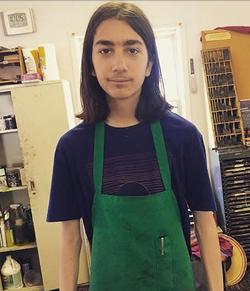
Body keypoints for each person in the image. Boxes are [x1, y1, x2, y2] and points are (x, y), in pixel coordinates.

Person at [47, 2, 224, 291]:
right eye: (105, 50)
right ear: (90, 64)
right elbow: (70, 236)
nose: (119, 64)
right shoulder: (72, 147)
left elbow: (205, 222)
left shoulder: (183, 136)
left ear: (150, 63)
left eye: (132, 49)